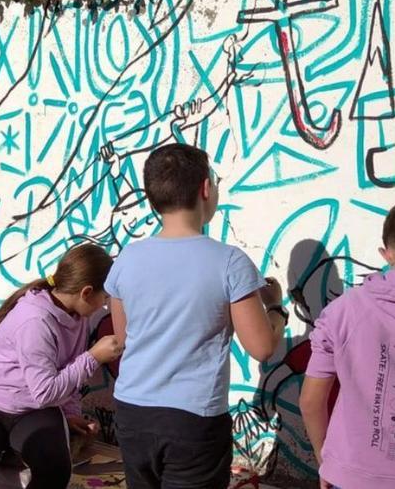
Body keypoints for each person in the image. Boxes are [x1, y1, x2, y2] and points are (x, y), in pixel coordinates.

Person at [105, 143, 286, 488]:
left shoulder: (127, 259)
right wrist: (275, 309)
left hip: (132, 412)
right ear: (206, 188)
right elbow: (262, 347)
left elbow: (124, 338)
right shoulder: (229, 262)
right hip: (193, 420)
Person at [0, 244, 124, 489]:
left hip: (32, 411)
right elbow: (45, 391)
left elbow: (67, 369)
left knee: (55, 469)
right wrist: (93, 357)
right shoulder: (35, 320)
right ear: (86, 292)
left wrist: (70, 413)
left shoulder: (77, 318)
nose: (104, 305)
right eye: (104, 297)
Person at [300, 197, 395, 489]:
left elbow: (310, 401)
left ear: (387, 253)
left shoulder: (344, 311)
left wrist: (326, 459)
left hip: (353, 474)